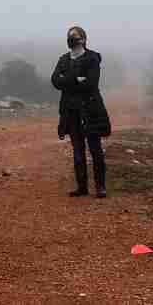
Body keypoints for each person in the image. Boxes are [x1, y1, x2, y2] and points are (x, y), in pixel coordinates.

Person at [51, 26, 112, 198]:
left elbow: (91, 84)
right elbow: (55, 81)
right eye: (70, 36)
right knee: (77, 150)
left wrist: (67, 80)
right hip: (70, 111)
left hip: (90, 110)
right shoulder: (63, 59)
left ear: (83, 39)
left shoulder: (92, 58)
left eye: (75, 36)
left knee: (95, 149)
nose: (72, 38)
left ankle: (100, 187)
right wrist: (76, 79)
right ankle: (82, 187)